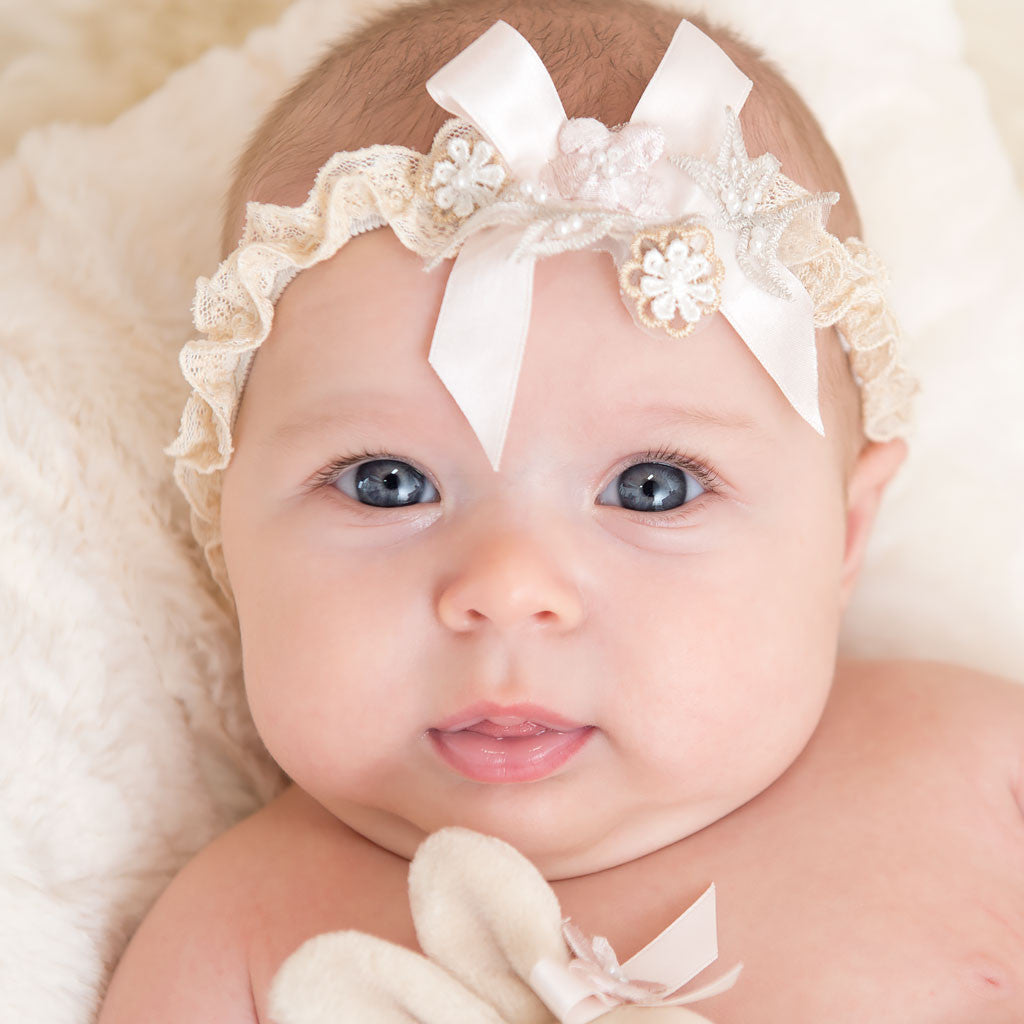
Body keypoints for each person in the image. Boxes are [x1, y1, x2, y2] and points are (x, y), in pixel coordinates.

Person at [96, 0, 1024, 1020]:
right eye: (386, 482)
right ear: (223, 523)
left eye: (650, 488)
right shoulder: (234, 938)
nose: (507, 588)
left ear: (844, 532)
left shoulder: (970, 765)